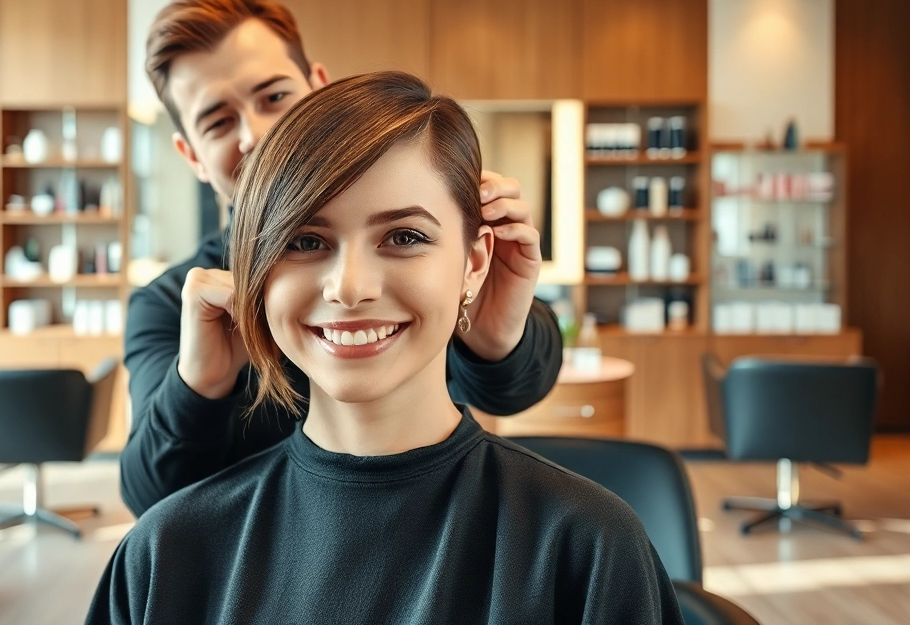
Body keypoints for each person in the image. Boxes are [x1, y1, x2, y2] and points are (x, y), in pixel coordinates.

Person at [88, 72, 682, 625]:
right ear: (252, 272)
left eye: (405, 237)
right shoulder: (164, 555)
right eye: (305, 239)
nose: (350, 288)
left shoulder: (588, 547)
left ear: (474, 262)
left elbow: (516, 371)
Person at [120, 0, 562, 515]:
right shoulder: (170, 305)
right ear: (191, 154)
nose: (257, 133)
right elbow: (150, 501)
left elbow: (515, 390)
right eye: (218, 120)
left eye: (274, 96)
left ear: (318, 86)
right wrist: (200, 384)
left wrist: (493, 338)